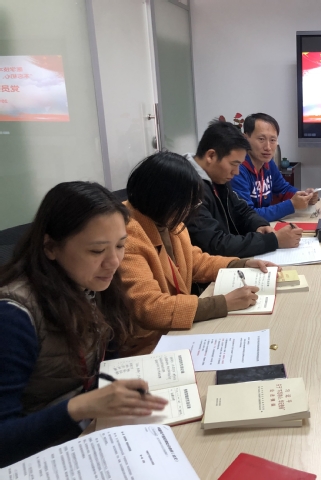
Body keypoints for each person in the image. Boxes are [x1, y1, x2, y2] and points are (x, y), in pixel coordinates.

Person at [0, 182, 168, 467]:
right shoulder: (14, 316)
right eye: (97, 250)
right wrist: (80, 407)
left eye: (120, 246)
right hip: (39, 459)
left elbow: (108, 359)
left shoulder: (89, 283)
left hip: (86, 436)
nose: (113, 262)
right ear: (50, 247)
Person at [119, 151, 278, 356]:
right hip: (148, 348)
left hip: (176, 333)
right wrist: (222, 303)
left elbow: (194, 261)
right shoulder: (125, 235)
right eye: (186, 203)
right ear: (162, 198)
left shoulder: (166, 220)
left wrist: (241, 264)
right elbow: (150, 308)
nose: (189, 210)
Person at [185, 120, 303, 257]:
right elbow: (215, 244)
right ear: (211, 156)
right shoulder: (188, 187)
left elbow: (241, 209)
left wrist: (259, 225)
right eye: (233, 164)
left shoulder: (216, 176)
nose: (236, 172)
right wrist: (273, 241)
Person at [231, 113, 319, 221]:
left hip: (264, 226)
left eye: (272, 140)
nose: (268, 147)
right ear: (245, 138)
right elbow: (248, 215)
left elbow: (284, 189)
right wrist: (291, 205)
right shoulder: (236, 170)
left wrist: (304, 197)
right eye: (261, 139)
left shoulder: (268, 163)